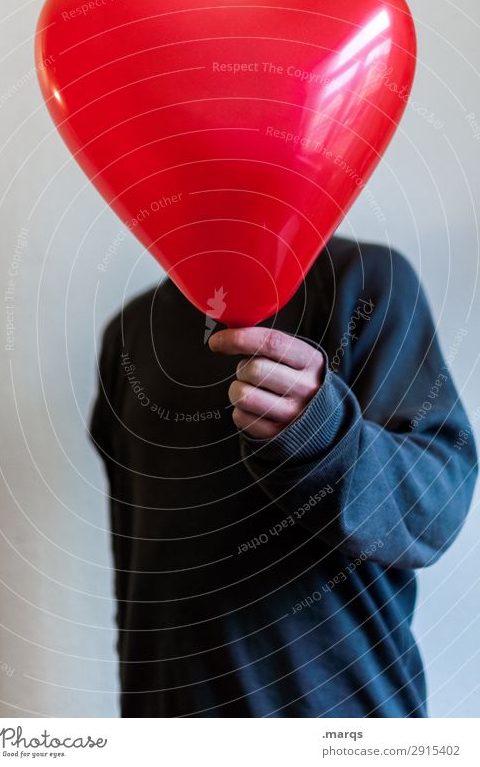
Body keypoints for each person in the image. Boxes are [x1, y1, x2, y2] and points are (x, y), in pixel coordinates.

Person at [89, 235, 477, 717]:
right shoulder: (127, 333)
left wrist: (322, 432)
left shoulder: (366, 279)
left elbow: (435, 512)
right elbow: (136, 560)